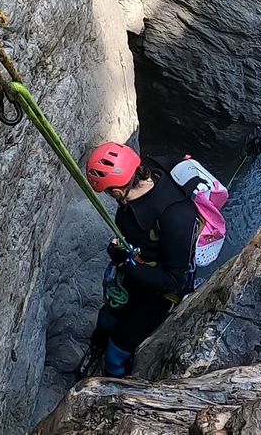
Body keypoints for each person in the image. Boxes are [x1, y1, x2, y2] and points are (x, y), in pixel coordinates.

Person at [82, 142, 199, 377]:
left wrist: (125, 263)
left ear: (117, 191)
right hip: (136, 267)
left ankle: (111, 388)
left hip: (159, 292)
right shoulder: (146, 169)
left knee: (118, 350)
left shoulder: (176, 215)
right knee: (107, 317)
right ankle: (95, 351)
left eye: (109, 192)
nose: (111, 198)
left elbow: (173, 279)